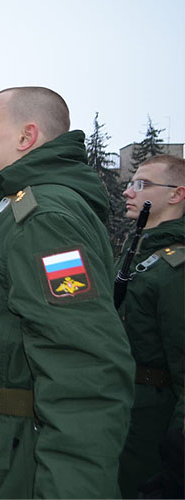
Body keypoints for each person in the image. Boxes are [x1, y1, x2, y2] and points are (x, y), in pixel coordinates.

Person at [0, 87, 134, 498]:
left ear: (26, 137)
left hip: (11, 467)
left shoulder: (44, 219)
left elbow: (83, 373)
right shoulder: (10, 209)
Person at [117, 154, 184, 499]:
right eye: (130, 183)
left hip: (152, 426)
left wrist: (178, 454)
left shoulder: (176, 267)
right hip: (122, 412)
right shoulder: (138, 254)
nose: (129, 192)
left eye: (142, 185)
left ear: (177, 194)